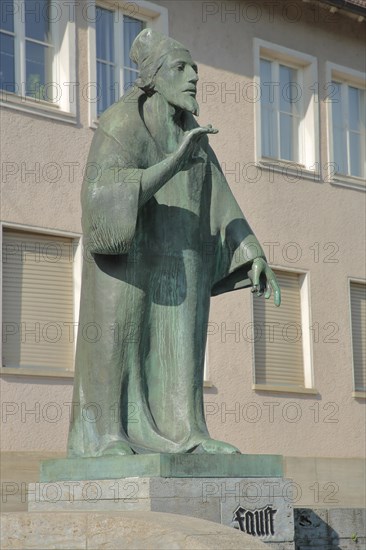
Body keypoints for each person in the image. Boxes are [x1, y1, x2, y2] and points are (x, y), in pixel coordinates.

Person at [67, 29, 280, 457]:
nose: (193, 78)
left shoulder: (193, 133)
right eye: (181, 69)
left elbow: (222, 201)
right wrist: (172, 162)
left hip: (176, 263)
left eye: (196, 70)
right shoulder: (120, 124)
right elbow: (101, 198)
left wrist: (252, 250)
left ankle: (187, 434)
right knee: (118, 340)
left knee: (180, 345)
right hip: (123, 264)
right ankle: (108, 435)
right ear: (153, 78)